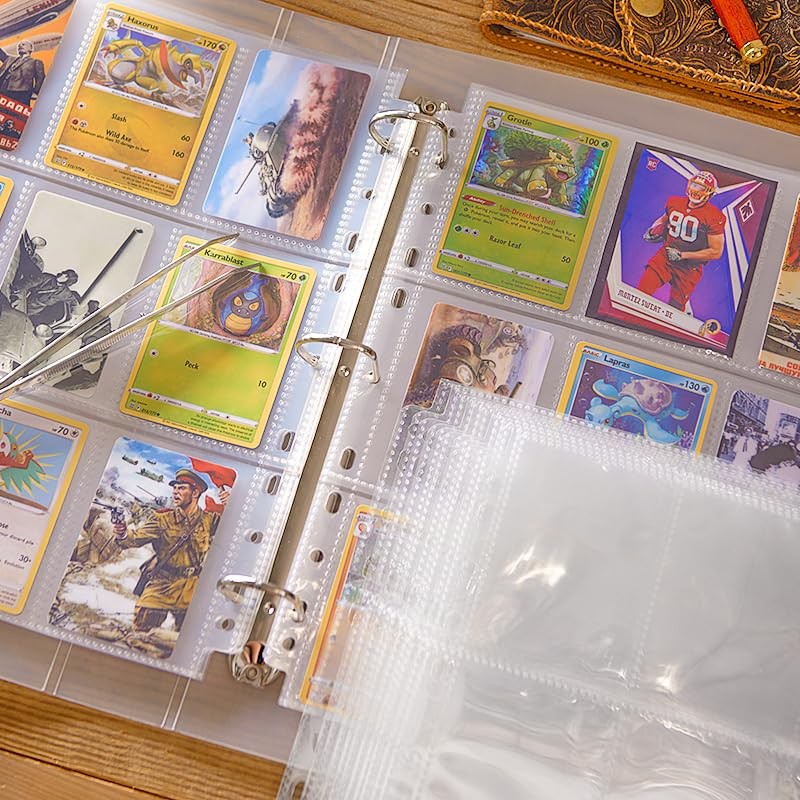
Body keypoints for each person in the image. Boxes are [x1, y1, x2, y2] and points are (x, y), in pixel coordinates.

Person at [113, 468, 230, 633]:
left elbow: (235, 527)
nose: (175, 492)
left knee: (188, 635)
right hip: (162, 584)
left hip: (192, 586)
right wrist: (122, 533)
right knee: (140, 632)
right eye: (174, 488)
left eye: (181, 488)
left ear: (195, 493)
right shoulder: (162, 519)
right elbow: (135, 538)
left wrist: (230, 503)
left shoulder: (209, 520)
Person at [638, 171, 726, 311]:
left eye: (701, 188)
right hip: (665, 257)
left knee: (675, 310)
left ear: (710, 193)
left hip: (689, 268)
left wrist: (682, 255)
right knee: (640, 293)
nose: (696, 191)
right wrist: (654, 229)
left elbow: (716, 252)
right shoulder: (674, 202)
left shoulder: (714, 216)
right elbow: (664, 219)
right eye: (695, 185)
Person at [0, 41, 46, 106]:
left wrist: (36, 92)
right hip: (3, 90)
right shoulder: (10, 59)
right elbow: (1, 55)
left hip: (21, 94)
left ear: (31, 49)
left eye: (23, 44)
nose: (20, 46)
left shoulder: (35, 62)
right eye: (19, 45)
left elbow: (40, 78)